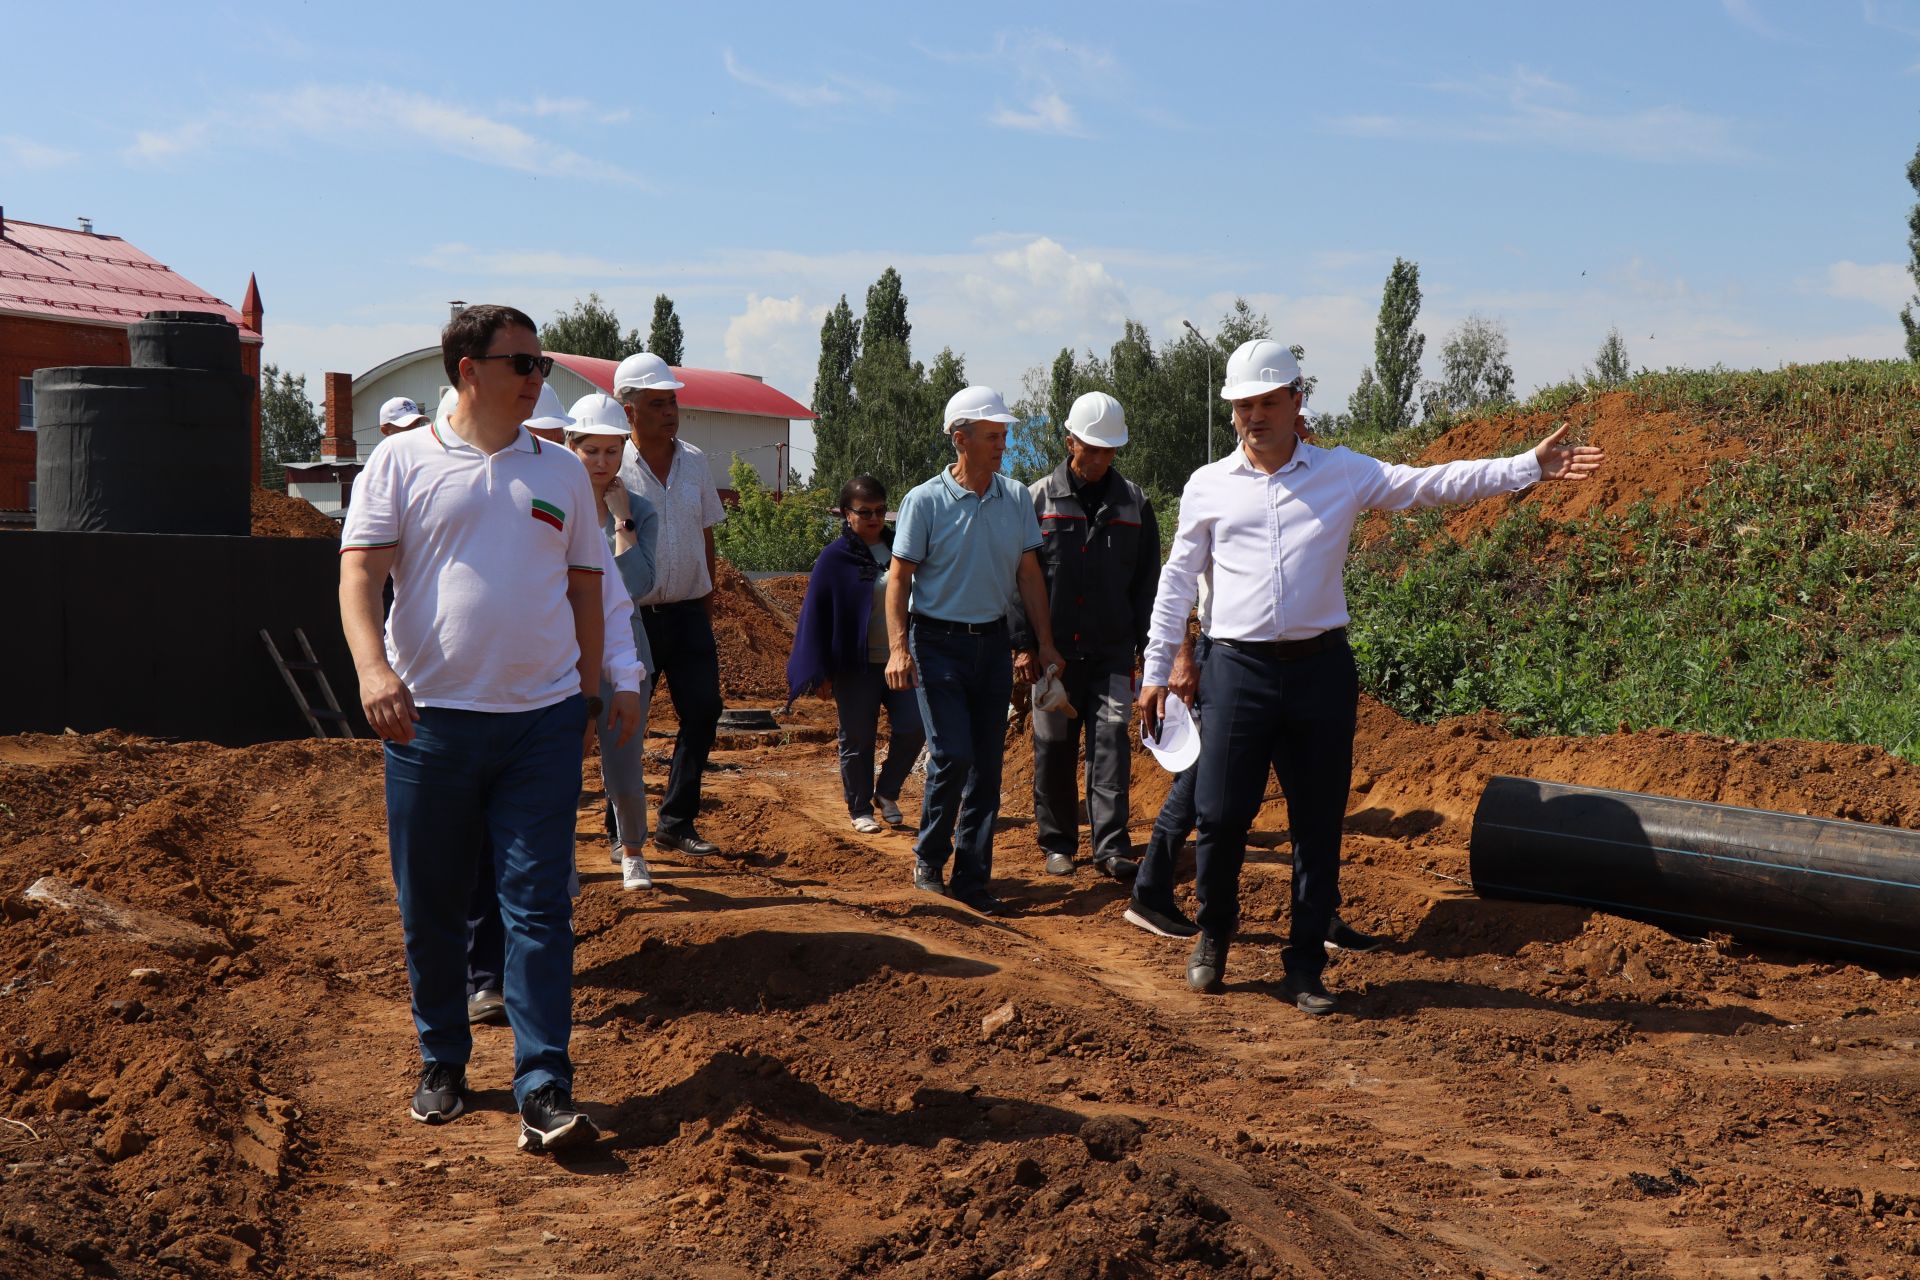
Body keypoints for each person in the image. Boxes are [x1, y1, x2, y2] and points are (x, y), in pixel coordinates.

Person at [1137, 339, 1603, 1013]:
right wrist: (1157, 670)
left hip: (1320, 669)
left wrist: (1525, 467)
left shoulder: (1342, 472)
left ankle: (1304, 966)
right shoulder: (1207, 485)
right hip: (1234, 667)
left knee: (1319, 819)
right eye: (1244, 405)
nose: (1255, 416)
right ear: (1232, 412)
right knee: (1219, 812)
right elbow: (1177, 581)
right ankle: (1213, 934)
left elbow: (1431, 484)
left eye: (1269, 401)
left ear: (1297, 403)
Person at [339, 304, 639, 1155]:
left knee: (539, 907)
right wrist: (373, 672)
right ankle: (442, 1061)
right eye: (522, 362)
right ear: (468, 370)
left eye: (539, 362)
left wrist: (592, 691)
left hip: (540, 725)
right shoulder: (400, 463)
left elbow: (588, 586)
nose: (537, 376)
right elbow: (358, 577)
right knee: (431, 907)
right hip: (430, 725)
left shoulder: (561, 473)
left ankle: (544, 1082)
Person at [465, 394, 655, 1026]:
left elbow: (621, 597)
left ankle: (527, 995)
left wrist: (613, 683)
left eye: (608, 449)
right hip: (480, 696)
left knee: (546, 836)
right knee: (478, 849)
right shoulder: (473, 490)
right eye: (583, 445)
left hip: (563, 687)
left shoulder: (589, 501)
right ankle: (481, 980)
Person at [888, 386, 1064, 916]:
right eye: (992, 436)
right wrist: (899, 648)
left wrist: (1045, 643)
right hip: (936, 641)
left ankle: (972, 877)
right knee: (953, 754)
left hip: (990, 644)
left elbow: (1029, 575)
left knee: (987, 766)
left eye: (1004, 435)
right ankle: (928, 857)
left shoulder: (1014, 499)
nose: (1002, 445)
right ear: (960, 439)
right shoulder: (925, 501)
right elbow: (898, 579)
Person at [1009, 392, 1159, 882]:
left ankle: (1111, 846)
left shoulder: (1135, 505)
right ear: (1069, 440)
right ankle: (1057, 843)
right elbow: (1016, 577)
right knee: (1052, 746)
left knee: (1111, 745)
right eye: (1088, 447)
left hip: (1113, 653)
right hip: (1054, 656)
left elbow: (1147, 586)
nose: (1096, 459)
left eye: (1106, 451)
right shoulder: (1036, 501)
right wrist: (1024, 644)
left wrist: (1149, 654)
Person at [615, 352, 728, 859]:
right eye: (657, 403)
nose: (670, 411)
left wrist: (707, 599)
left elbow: (705, 536)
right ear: (629, 411)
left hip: (686, 613)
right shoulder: (609, 466)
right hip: (630, 617)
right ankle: (622, 828)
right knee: (627, 723)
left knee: (704, 711)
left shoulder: (696, 462)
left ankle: (676, 822)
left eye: (672, 401)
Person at [786, 475, 926, 834]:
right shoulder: (834, 559)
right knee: (858, 738)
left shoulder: (901, 548)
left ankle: (887, 792)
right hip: (855, 665)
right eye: (865, 512)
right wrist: (822, 670)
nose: (875, 518)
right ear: (846, 514)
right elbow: (817, 616)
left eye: (880, 511)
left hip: (901, 660)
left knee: (915, 727)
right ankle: (859, 806)